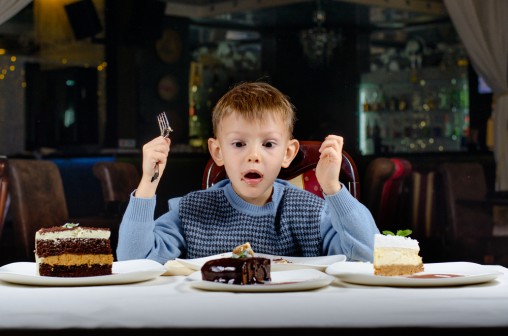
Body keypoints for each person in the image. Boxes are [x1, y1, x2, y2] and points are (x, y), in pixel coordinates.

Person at [117, 81, 379, 264]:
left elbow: (367, 256)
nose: (253, 155)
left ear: (287, 153)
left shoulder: (313, 213)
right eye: (239, 144)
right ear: (218, 151)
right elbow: (134, 261)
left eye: (268, 144)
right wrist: (147, 184)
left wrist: (332, 188)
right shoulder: (190, 211)